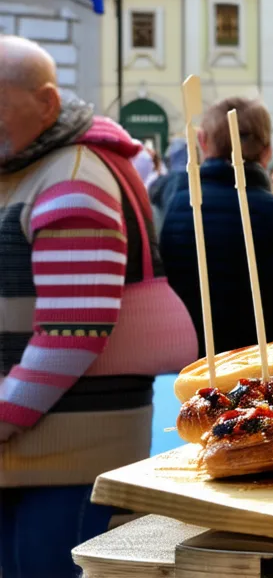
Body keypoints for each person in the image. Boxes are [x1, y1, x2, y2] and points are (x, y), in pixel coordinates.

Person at [0, 36, 195, 577]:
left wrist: (3, 417)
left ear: (46, 103)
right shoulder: (33, 166)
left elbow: (73, 332)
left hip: (66, 454)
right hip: (34, 452)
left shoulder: (71, 179)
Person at [160, 97, 273, 355]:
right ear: (266, 150)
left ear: (203, 142)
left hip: (194, 357)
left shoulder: (178, 205)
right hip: (255, 360)